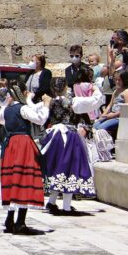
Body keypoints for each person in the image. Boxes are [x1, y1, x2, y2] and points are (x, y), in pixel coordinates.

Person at [41, 75, 103, 215]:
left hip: (54, 137)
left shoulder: (48, 102)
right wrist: (96, 89)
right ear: (65, 87)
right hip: (69, 137)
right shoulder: (73, 102)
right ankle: (67, 206)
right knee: (70, 168)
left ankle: (51, 202)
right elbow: (94, 101)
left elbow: (37, 113)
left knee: (58, 168)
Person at [0, 91, 50, 235]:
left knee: (13, 179)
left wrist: (6, 104)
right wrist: (47, 105)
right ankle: (20, 222)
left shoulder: (6, 109)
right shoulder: (23, 109)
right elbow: (40, 119)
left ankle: (10, 219)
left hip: (11, 145)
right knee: (24, 177)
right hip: (23, 144)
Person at [95, 71, 128, 136]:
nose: (117, 82)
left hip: (119, 117)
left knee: (100, 128)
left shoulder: (127, 92)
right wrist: (103, 115)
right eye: (116, 80)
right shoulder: (116, 91)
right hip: (111, 115)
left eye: (119, 80)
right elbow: (110, 105)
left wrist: (114, 115)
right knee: (95, 125)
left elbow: (127, 109)